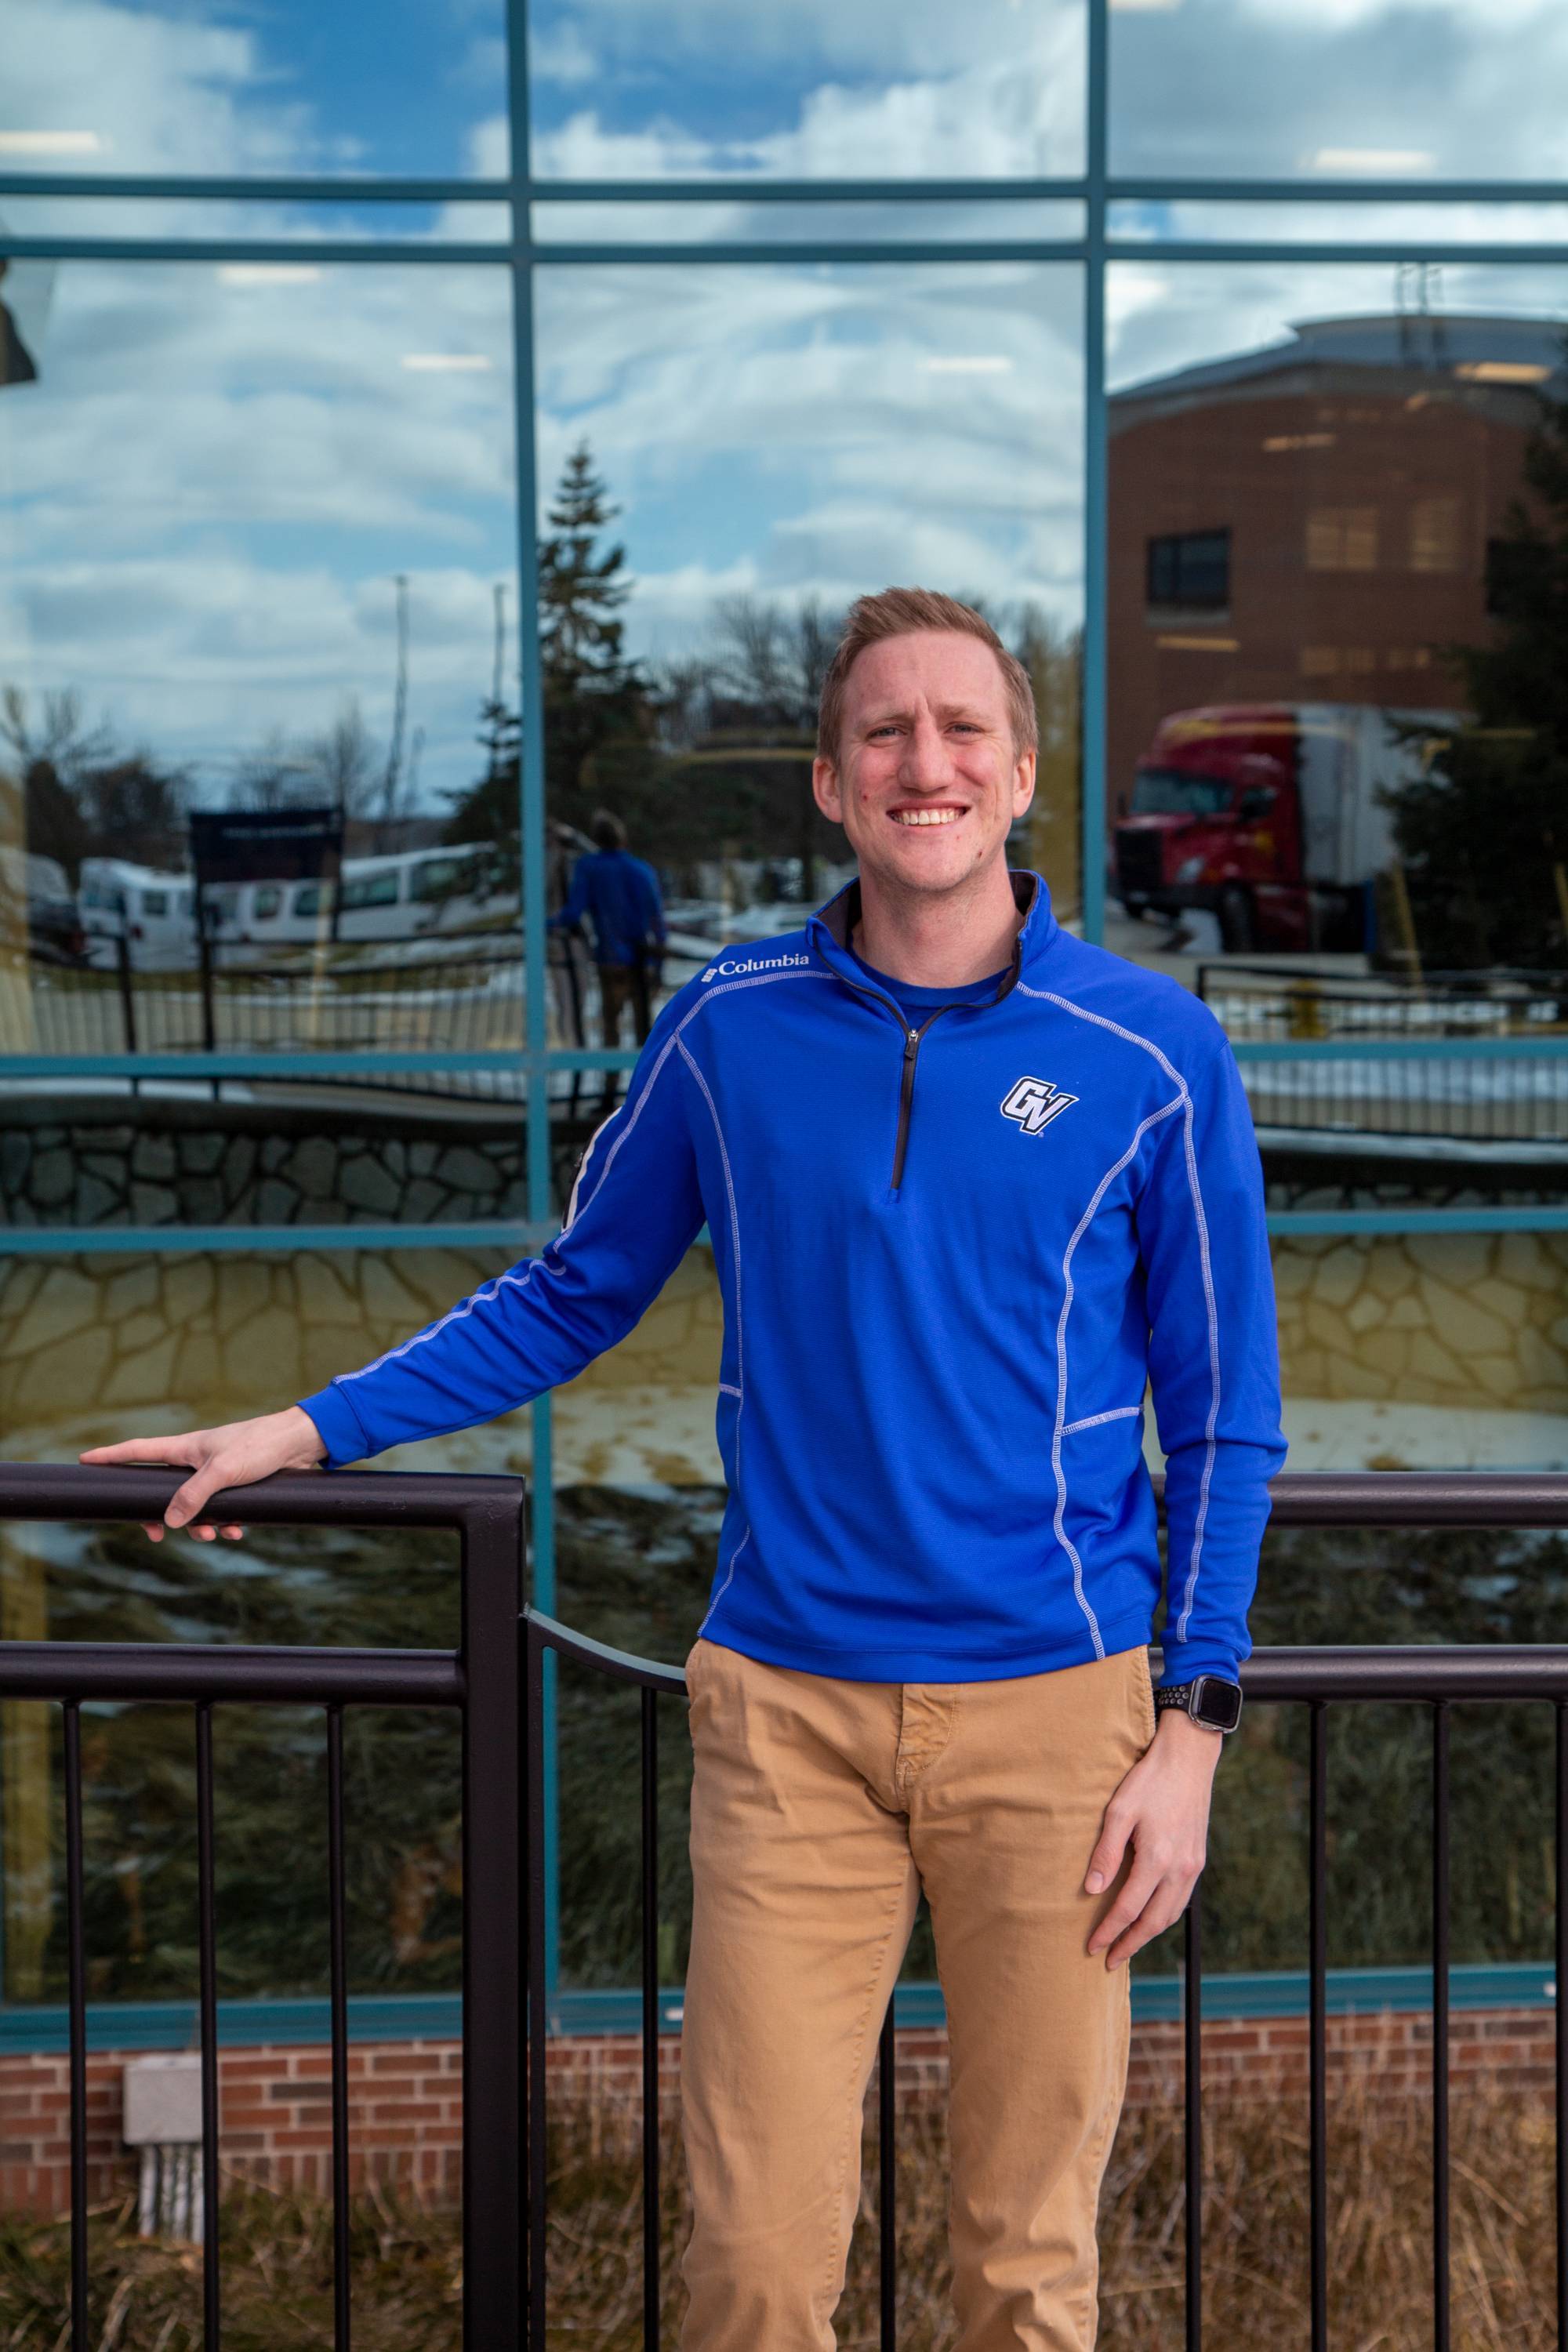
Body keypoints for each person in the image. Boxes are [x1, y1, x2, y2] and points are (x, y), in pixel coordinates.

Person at [84, 587, 1286, 2352]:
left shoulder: (1153, 1056)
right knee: (746, 2268)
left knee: (1026, 2271)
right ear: (827, 780)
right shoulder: (730, 1025)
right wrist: (302, 1428)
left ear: (1021, 777)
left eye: (963, 730)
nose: (924, 761)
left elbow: (1225, 1411)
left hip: (1061, 1716)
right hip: (787, 1719)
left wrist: (1192, 1728)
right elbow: (573, 1290)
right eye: (884, 730)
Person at [549, 808, 666, 1059]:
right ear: (622, 838)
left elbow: (573, 912)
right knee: (643, 1032)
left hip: (610, 959)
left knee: (611, 1030)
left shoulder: (590, 868)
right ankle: (643, 1091)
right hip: (641, 959)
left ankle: (610, 1088)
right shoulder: (641, 870)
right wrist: (659, 962)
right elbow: (658, 921)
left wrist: (544, 925)